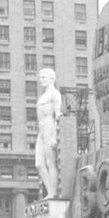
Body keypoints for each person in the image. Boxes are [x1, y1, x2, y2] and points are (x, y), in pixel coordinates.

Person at [34, 67, 64, 197]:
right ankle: (50, 191)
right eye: (40, 77)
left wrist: (55, 137)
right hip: (41, 131)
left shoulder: (55, 94)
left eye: (43, 77)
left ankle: (52, 193)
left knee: (50, 163)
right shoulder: (42, 96)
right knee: (39, 164)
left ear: (52, 78)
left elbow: (59, 115)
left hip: (50, 128)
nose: (41, 80)